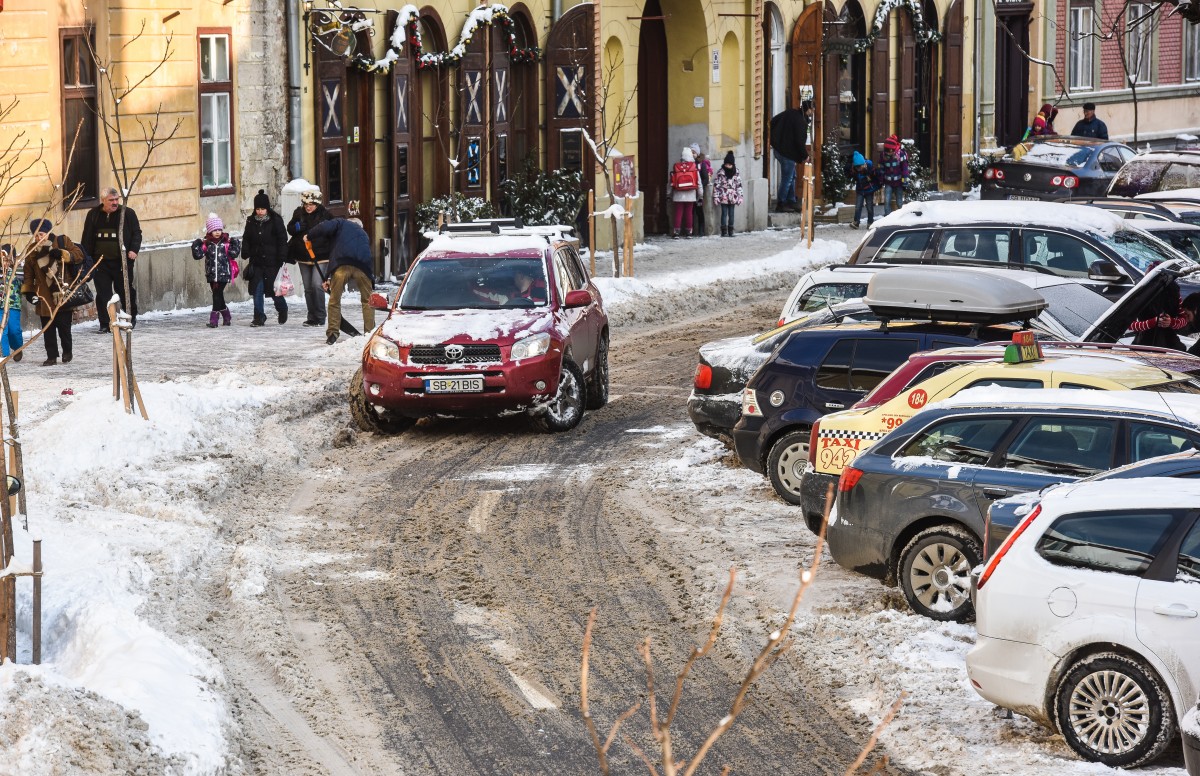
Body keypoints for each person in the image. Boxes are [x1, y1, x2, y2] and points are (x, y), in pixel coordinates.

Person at [21, 218, 85, 366]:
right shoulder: (31, 251)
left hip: (61, 292)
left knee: (64, 327)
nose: (39, 238)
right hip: (43, 296)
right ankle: (51, 356)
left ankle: (67, 351)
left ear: (48, 232)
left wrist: (63, 254)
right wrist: (29, 293)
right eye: (36, 235)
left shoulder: (61, 241)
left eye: (41, 234)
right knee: (47, 328)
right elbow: (28, 275)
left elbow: (78, 254)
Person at [304, 217, 375, 345]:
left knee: (334, 300)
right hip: (363, 267)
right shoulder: (364, 234)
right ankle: (369, 334)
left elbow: (324, 226)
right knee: (368, 301)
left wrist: (309, 236)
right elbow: (366, 256)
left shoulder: (341, 223)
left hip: (342, 265)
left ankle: (332, 334)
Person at [80, 186, 141, 333]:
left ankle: (129, 319)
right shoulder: (93, 215)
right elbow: (87, 237)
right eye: (111, 200)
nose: (114, 202)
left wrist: (133, 249)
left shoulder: (127, 213)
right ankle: (105, 323)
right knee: (103, 294)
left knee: (125, 291)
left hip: (122, 262)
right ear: (103, 201)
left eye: (116, 199)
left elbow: (136, 233)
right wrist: (86, 259)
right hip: (100, 263)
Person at [241, 189, 290, 327]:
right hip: (257, 262)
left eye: (262, 209)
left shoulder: (275, 221)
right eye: (258, 209)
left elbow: (282, 239)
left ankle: (282, 309)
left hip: (272, 262)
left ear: (267, 209)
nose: (260, 211)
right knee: (257, 290)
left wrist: (282, 256)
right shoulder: (251, 221)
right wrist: (245, 251)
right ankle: (259, 317)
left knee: (274, 290)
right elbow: (246, 238)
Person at [287, 187, 333, 327]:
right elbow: (290, 229)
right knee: (308, 288)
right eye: (306, 205)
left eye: (311, 205)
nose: (308, 207)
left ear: (317, 204)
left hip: (322, 256)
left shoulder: (326, 215)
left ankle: (320, 316)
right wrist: (296, 227)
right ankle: (311, 316)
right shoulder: (298, 213)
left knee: (317, 285)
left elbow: (332, 233)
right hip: (303, 255)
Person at [191, 214, 241, 329]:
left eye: (219, 229)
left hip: (224, 274)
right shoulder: (207, 244)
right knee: (218, 296)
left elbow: (234, 253)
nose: (217, 232)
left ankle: (214, 320)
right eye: (214, 230)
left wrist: (235, 243)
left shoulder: (226, 243)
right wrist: (196, 244)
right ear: (210, 231)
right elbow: (198, 255)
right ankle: (226, 316)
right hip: (212, 274)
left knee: (217, 295)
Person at [769, 97, 812, 213]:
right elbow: (799, 142)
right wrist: (805, 156)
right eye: (811, 110)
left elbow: (773, 121)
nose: (812, 113)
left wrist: (774, 139)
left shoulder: (791, 113)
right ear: (808, 110)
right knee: (787, 178)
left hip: (779, 150)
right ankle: (781, 203)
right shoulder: (800, 122)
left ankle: (791, 200)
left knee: (792, 176)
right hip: (787, 153)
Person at [1128, 277, 1188, 350]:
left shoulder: (1174, 291)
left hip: (1168, 343)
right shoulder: (1142, 292)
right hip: (1144, 344)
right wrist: (1152, 322)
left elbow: (1184, 319)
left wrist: (1171, 322)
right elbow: (1129, 324)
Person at [668, 147, 700, 239]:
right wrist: (700, 195)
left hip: (678, 194)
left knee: (678, 212)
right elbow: (699, 183)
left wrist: (668, 194)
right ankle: (689, 232)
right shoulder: (694, 167)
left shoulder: (677, 167)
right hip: (691, 194)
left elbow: (670, 182)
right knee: (689, 212)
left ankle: (676, 232)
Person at [712, 151, 744, 238]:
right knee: (724, 214)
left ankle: (731, 231)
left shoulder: (736, 172)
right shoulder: (720, 172)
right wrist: (716, 196)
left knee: (731, 214)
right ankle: (723, 231)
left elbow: (739, 185)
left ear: (733, 164)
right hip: (723, 196)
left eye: (729, 165)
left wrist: (740, 196)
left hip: (732, 197)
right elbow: (716, 185)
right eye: (726, 164)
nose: (728, 166)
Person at [0, 245, 23, 362]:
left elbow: (25, 284)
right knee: (2, 330)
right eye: (3, 260)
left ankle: (18, 348)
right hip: (0, 306)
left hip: (14, 305)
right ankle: (4, 355)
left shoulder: (18, 270)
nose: (5, 263)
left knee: (14, 330)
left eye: (8, 260)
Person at [879, 135, 911, 215]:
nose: (889, 153)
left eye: (890, 151)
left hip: (899, 182)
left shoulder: (901, 154)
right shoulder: (883, 155)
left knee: (899, 202)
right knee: (887, 201)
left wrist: (905, 181)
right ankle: (887, 219)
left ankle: (902, 217)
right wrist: (880, 179)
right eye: (887, 151)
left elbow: (905, 169)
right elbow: (881, 168)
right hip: (888, 182)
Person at [850, 151, 882, 229]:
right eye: (857, 167)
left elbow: (876, 176)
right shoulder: (855, 170)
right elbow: (852, 176)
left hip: (869, 190)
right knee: (858, 206)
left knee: (869, 206)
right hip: (860, 190)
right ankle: (856, 222)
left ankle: (870, 222)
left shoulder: (870, 168)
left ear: (863, 164)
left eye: (860, 167)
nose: (859, 169)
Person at [689, 143, 712, 237]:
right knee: (690, 211)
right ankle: (690, 230)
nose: (692, 154)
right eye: (691, 152)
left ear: (697, 154)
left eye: (694, 152)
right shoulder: (687, 163)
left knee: (699, 211)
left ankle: (701, 230)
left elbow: (705, 178)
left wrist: (699, 186)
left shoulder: (701, 164)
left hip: (699, 192)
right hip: (689, 191)